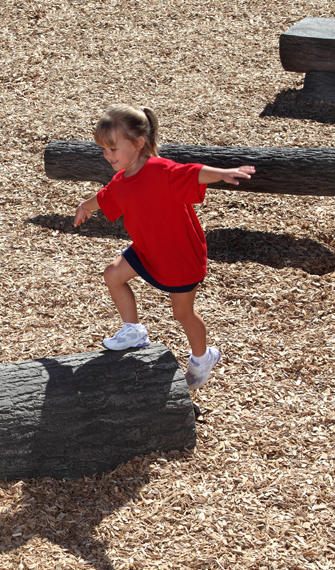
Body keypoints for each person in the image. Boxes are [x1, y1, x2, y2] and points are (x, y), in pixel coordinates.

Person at [73, 104, 255, 389]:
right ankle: (133, 331)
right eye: (104, 150)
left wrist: (222, 172)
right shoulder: (122, 179)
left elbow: (193, 173)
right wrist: (86, 205)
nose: (107, 156)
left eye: (112, 149)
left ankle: (202, 357)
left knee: (182, 313)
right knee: (113, 274)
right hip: (147, 249)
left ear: (138, 143)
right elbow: (106, 195)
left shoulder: (161, 170)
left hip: (179, 257)